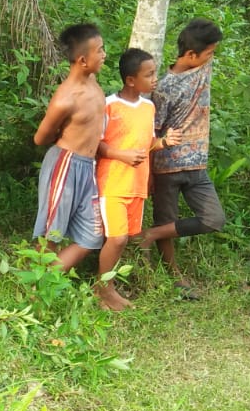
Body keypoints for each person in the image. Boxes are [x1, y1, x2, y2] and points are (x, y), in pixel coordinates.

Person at [138, 18, 226, 293]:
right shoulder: (163, 89)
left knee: (214, 219)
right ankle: (175, 276)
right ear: (190, 55)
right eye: (209, 53)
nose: (212, 57)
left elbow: (206, 36)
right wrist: (149, 173)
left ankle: (149, 235)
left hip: (197, 166)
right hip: (167, 168)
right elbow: (152, 133)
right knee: (167, 218)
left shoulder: (203, 69)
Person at [94, 49, 181, 311]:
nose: (155, 79)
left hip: (137, 184)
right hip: (113, 183)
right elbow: (96, 143)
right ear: (131, 80)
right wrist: (120, 154)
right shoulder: (109, 105)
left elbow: (145, 145)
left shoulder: (149, 107)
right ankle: (102, 289)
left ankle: (111, 285)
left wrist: (163, 143)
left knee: (128, 237)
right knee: (117, 238)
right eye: (149, 74)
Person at [32, 23, 106, 271]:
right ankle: (37, 291)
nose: (105, 54)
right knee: (51, 232)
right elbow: (40, 138)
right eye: (100, 50)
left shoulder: (93, 82)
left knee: (92, 237)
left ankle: (46, 278)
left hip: (88, 167)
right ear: (83, 60)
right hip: (64, 165)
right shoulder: (66, 98)